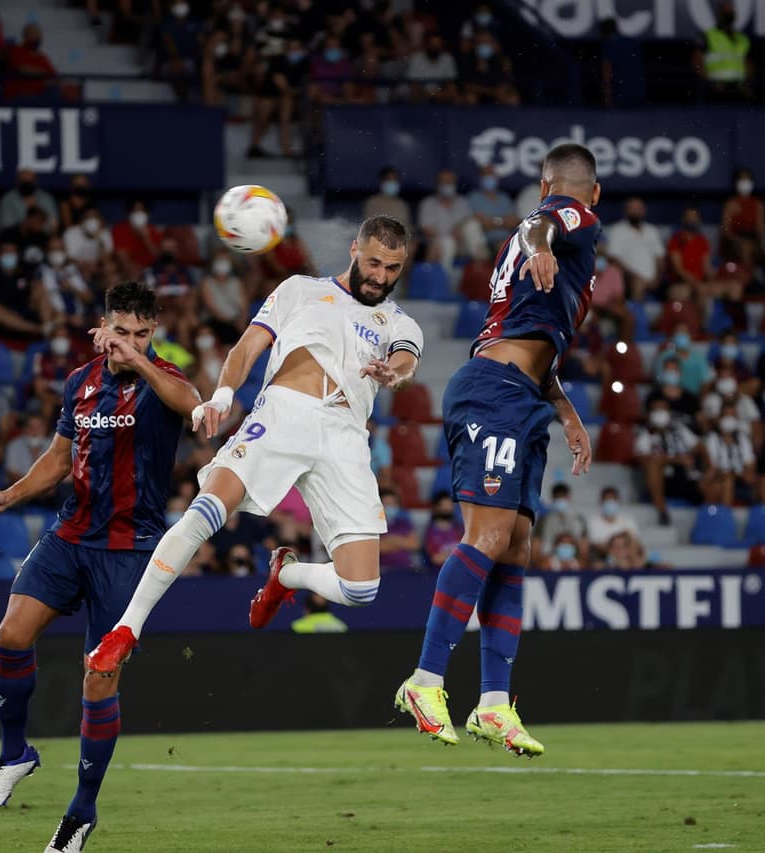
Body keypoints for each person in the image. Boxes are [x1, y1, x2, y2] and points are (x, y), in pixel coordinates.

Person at [83, 218, 423, 715]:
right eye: (372, 262)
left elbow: (406, 359)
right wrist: (223, 395)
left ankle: (285, 577)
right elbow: (247, 347)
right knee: (206, 509)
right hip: (284, 412)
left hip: (346, 437)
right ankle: (126, 630)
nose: (379, 275)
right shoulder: (301, 290)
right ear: (354, 250)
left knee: (361, 589)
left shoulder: (399, 323)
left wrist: (395, 370)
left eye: (391, 268)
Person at [0, 282, 199, 853]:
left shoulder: (165, 383)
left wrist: (141, 360)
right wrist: (7, 496)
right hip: (69, 534)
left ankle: (80, 812)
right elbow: (60, 459)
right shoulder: (79, 384)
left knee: (99, 675)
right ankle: (15, 754)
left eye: (142, 333)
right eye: (122, 332)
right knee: (11, 633)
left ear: (152, 334)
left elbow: (193, 404)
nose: (130, 342)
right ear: (104, 326)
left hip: (130, 550)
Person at [391, 144, 598, 757]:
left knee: (515, 548)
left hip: (522, 397)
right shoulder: (570, 218)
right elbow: (540, 224)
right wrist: (538, 243)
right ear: (588, 192)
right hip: (495, 395)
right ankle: (425, 680)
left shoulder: (532, 253)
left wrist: (565, 412)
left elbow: (528, 339)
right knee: (487, 537)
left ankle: (495, 704)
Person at [694, 1, 750, 101]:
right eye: (726, 10)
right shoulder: (708, 36)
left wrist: (746, 83)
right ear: (719, 13)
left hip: (738, 90)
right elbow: (696, 63)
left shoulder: (742, 39)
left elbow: (748, 64)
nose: (730, 13)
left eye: (732, 11)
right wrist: (709, 82)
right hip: (715, 89)